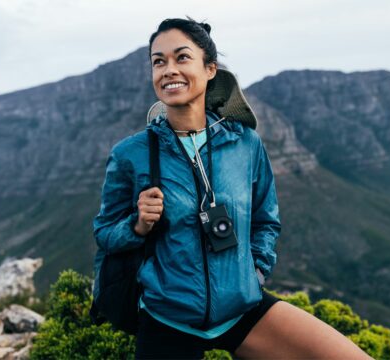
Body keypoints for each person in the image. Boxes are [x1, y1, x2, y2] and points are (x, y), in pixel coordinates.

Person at [93, 17, 371, 360]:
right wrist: (138, 224)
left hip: (242, 308)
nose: (168, 70)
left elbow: (265, 219)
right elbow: (104, 232)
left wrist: (255, 272)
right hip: (169, 318)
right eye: (158, 62)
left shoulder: (245, 143)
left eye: (182, 58)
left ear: (210, 69)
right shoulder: (130, 154)